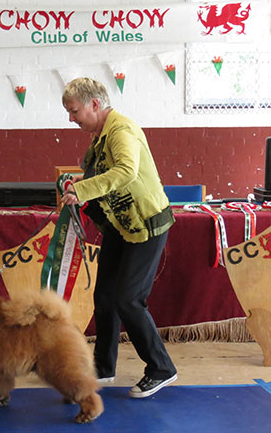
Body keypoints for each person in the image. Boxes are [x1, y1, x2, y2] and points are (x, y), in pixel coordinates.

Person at [59, 77, 177, 398]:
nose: (71, 118)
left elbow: (126, 170)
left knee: (128, 299)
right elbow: (107, 173)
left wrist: (81, 191)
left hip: (146, 225)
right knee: (105, 296)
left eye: (74, 111)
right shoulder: (101, 134)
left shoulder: (121, 130)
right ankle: (104, 367)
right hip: (120, 225)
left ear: (95, 104)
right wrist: (80, 179)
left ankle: (161, 368)